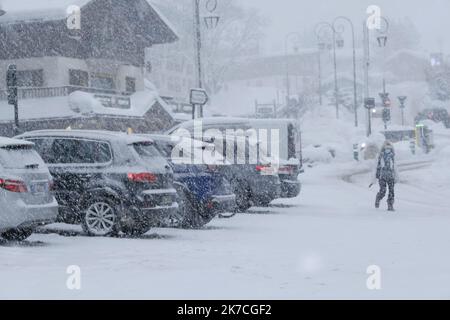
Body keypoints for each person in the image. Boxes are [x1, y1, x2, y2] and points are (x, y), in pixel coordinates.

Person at [374, 141, 399, 211]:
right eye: (386, 148)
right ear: (383, 148)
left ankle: (390, 205)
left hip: (391, 177)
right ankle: (378, 198)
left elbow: (395, 167)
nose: (388, 149)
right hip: (382, 177)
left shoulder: (392, 156)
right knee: (383, 191)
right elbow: (377, 166)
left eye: (389, 148)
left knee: (391, 191)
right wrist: (377, 175)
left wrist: (396, 177)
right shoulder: (380, 156)